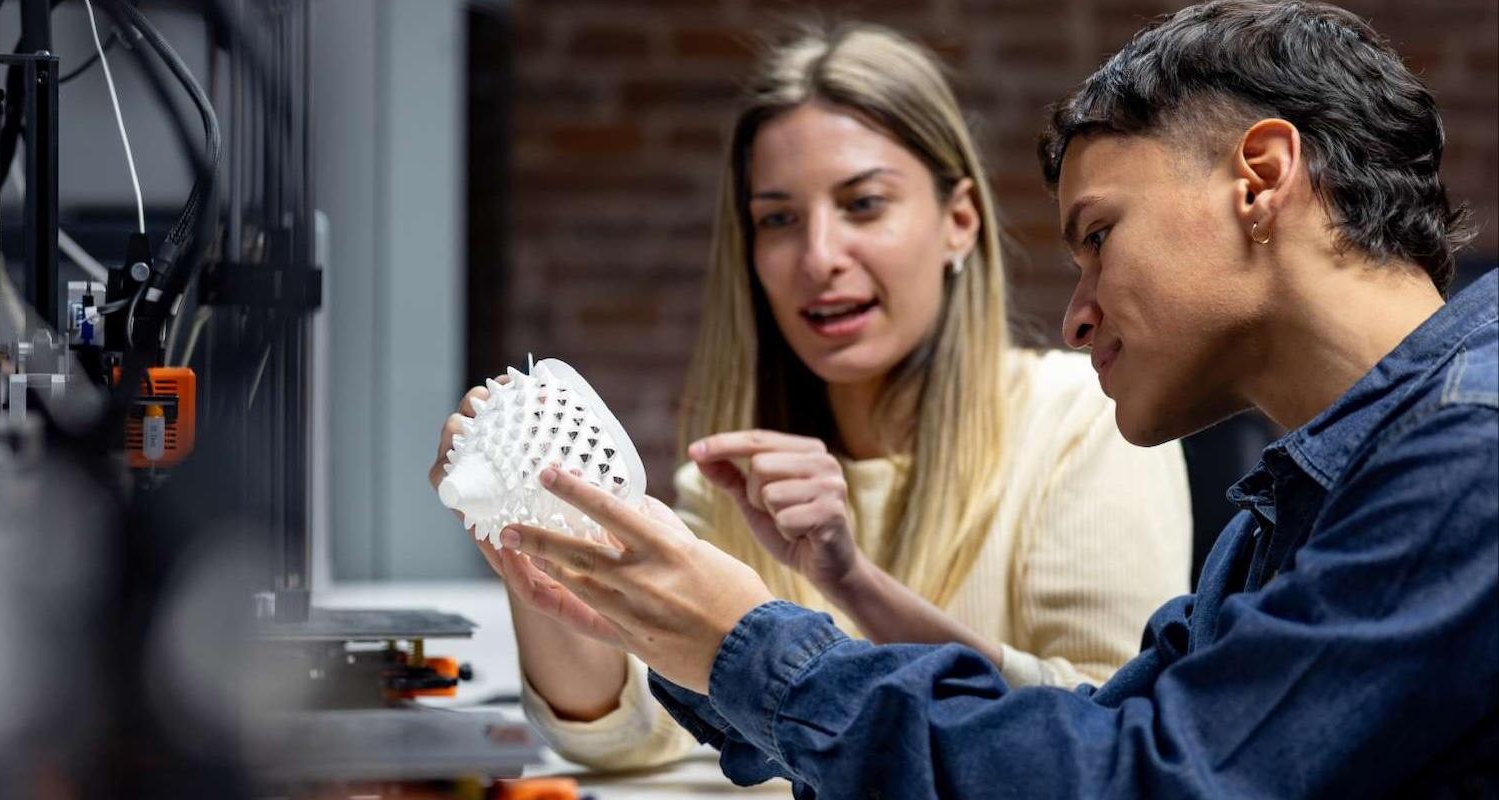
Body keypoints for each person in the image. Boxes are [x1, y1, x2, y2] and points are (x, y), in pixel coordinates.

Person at [490, 1, 1498, 796]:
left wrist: (744, 639)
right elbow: (1095, 732)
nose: (1076, 315)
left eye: (1099, 235)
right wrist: (695, 630)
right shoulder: (1292, 500)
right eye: (777, 221)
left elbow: (1137, 781)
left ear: (1261, 178)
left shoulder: (1467, 456)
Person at [428, 24, 1194, 771]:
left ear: (959, 222)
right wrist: (529, 538)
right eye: (779, 219)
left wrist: (849, 582)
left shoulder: (1082, 421)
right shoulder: (734, 480)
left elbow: (1106, 726)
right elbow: (629, 736)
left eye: (863, 205)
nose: (820, 257)